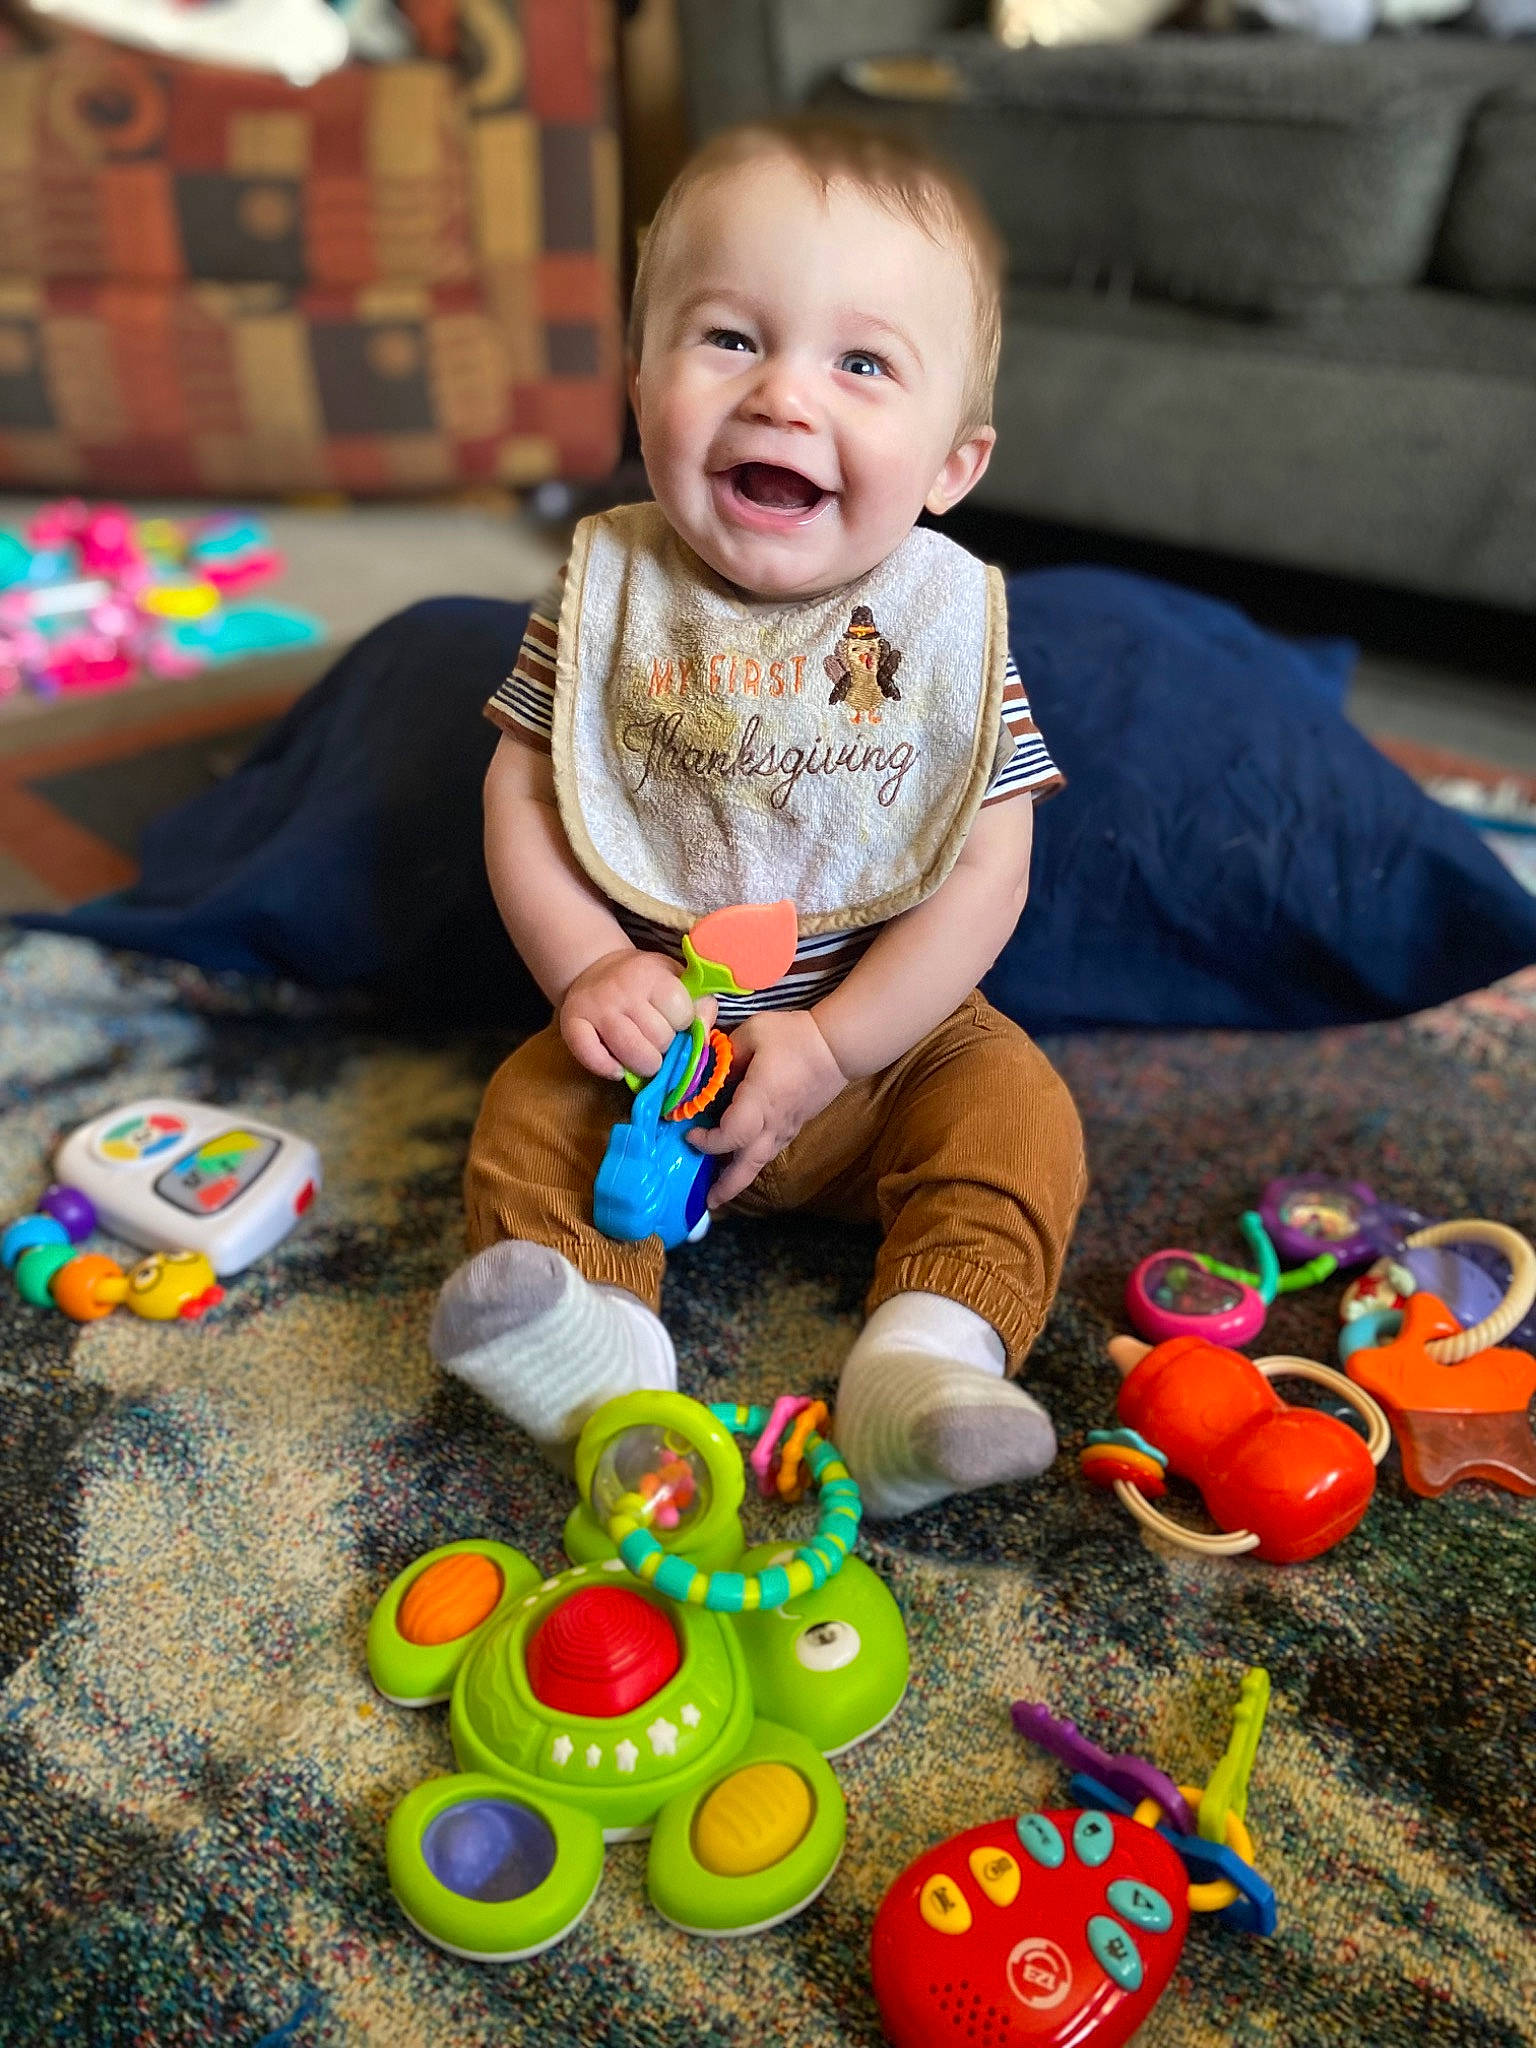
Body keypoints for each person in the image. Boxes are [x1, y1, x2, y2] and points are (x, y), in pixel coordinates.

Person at [429, 116, 1087, 1518]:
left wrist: (839, 1044)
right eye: (729, 338)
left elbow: (991, 863)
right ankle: (604, 1368)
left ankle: (927, 1359)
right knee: (530, 1108)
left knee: (1014, 1111)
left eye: (862, 364)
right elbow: (525, 790)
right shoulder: (608, 599)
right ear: (639, 385)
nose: (784, 395)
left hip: (881, 1056)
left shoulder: (943, 633)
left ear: (952, 463)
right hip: (653, 1057)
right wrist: (587, 969)